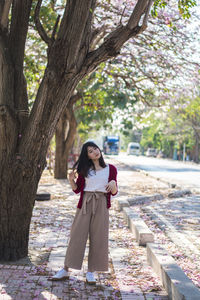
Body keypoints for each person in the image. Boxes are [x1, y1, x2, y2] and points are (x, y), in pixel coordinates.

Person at [52, 141, 118, 284]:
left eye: (95, 148)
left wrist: (113, 185)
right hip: (85, 204)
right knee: (77, 236)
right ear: (87, 156)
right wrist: (71, 180)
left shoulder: (111, 169)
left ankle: (91, 272)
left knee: (99, 238)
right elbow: (77, 190)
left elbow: (114, 192)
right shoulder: (85, 170)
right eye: (90, 151)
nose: (95, 151)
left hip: (101, 203)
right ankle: (65, 269)